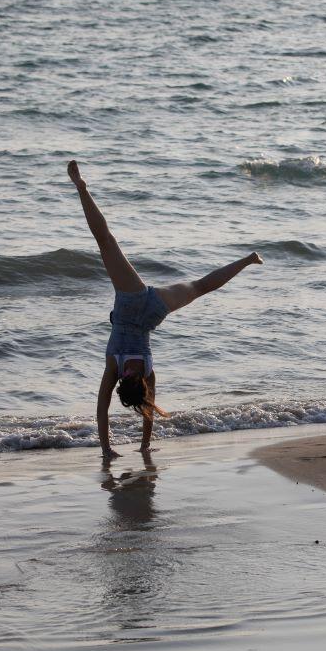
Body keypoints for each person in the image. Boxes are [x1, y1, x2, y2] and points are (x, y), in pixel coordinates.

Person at [67, 160, 263, 460]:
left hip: (152, 312)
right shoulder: (115, 367)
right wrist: (107, 448)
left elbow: (146, 411)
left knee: (200, 287)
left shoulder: (147, 372)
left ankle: (248, 260)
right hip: (131, 300)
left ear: (141, 386)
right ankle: (82, 188)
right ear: (123, 383)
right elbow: (102, 410)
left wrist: (138, 446)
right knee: (105, 241)